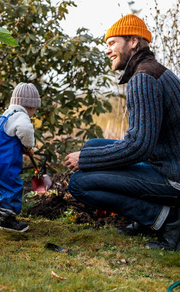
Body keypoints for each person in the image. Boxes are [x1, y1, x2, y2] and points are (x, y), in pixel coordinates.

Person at [65, 14, 180, 251]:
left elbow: (139, 147)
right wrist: (90, 155)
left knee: (79, 183)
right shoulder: (154, 71)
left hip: (173, 178)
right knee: (92, 145)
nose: (107, 50)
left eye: (111, 43)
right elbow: (142, 142)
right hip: (166, 165)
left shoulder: (143, 79)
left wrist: (86, 160)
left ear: (133, 42)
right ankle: (144, 218)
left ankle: (168, 219)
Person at [0, 83, 40, 232]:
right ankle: (7, 221)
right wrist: (28, 146)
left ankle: (2, 211)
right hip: (4, 161)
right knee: (12, 186)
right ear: (31, 107)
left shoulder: (5, 115)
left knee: (1, 184)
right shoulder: (21, 116)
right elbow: (26, 129)